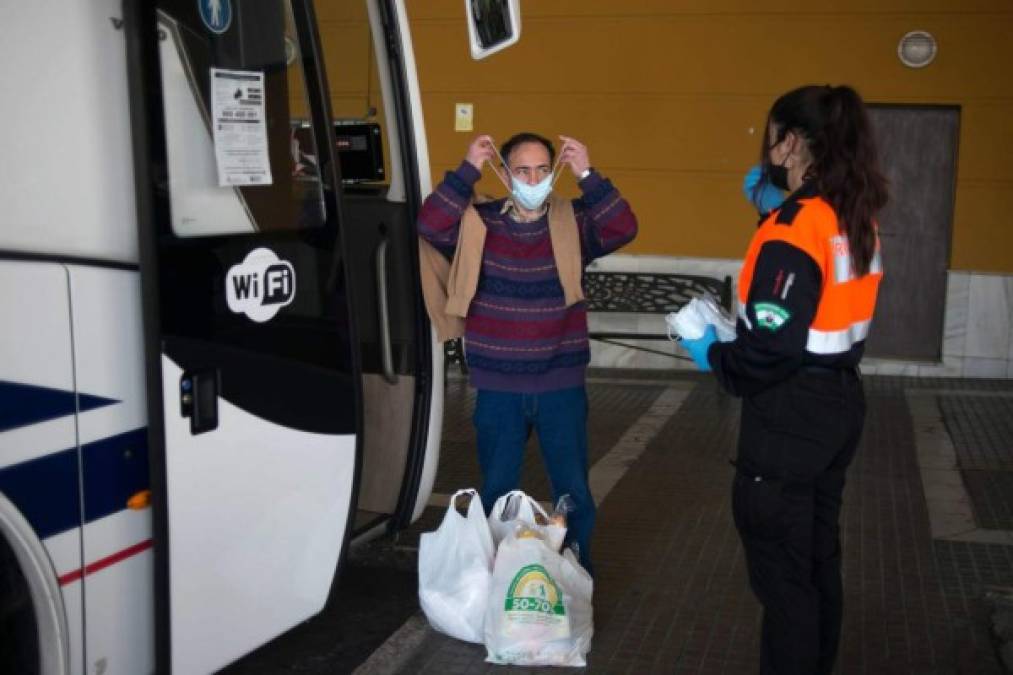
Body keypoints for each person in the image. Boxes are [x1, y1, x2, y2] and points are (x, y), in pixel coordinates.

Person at [680, 85, 888, 674]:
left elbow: (768, 350)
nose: (766, 146)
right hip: (839, 403)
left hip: (791, 418)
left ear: (791, 143)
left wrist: (715, 356)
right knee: (818, 563)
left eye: (770, 134)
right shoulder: (854, 215)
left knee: (786, 581)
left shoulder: (793, 227)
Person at [417, 132, 638, 573]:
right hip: (499, 387)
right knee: (497, 488)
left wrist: (587, 174)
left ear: (554, 173)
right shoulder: (479, 224)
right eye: (522, 170)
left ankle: (577, 574)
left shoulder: (572, 222)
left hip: (561, 384)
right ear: (504, 172)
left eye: (542, 169)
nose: (533, 178)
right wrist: (467, 168)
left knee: (571, 488)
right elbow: (430, 224)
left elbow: (622, 227)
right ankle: (499, 576)